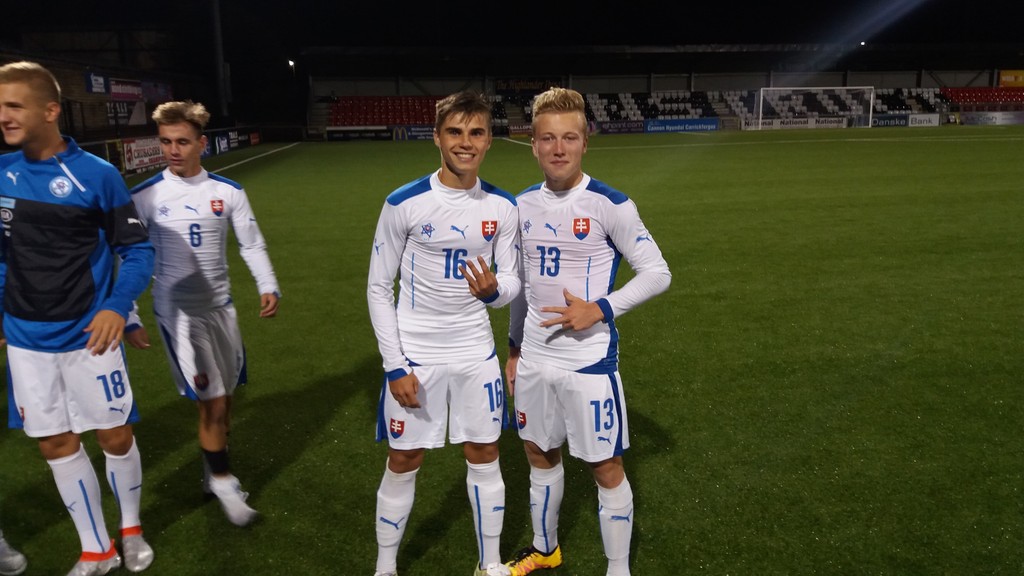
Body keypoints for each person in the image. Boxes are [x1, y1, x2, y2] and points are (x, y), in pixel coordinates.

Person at [503, 87, 671, 576]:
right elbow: (521, 288)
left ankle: (617, 569)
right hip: (535, 358)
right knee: (538, 452)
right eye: (548, 138)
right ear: (533, 144)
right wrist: (513, 348)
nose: (558, 149)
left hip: (589, 362)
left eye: (569, 138)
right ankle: (545, 549)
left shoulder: (610, 204)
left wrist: (600, 309)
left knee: (605, 465)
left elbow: (658, 272)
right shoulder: (520, 206)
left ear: (585, 142)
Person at [0, 60, 156, 576]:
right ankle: (96, 549)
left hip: (90, 334)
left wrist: (116, 306)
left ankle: (129, 528)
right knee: (55, 444)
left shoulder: (96, 174)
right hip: (26, 338)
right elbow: (3, 257)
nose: (4, 116)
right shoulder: (2, 174)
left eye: (14, 105)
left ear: (50, 111)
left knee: (114, 437)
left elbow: (137, 250)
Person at [366, 91, 520, 576]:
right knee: (404, 458)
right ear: (436, 137)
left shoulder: (503, 206)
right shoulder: (404, 203)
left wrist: (494, 292)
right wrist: (395, 365)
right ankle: (385, 566)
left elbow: (512, 282)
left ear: (489, 141)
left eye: (476, 133)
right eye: (455, 132)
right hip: (417, 354)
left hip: (476, 353)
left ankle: (489, 563)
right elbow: (377, 287)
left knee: (485, 453)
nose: (465, 142)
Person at [127, 100, 280, 527]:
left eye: (181, 142)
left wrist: (267, 284)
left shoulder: (227, 192)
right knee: (211, 404)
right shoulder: (145, 196)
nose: (172, 150)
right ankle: (225, 483)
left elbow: (251, 243)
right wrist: (129, 313)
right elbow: (128, 257)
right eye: (165, 142)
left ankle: (212, 470)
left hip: (221, 310)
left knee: (225, 402)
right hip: (178, 315)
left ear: (201, 144)